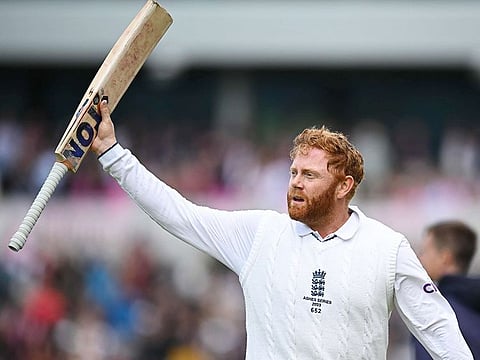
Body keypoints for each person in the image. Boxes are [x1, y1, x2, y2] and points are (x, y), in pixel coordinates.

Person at [91, 99, 473, 359]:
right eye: (293, 173)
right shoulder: (258, 234)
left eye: (309, 174)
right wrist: (112, 153)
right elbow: (178, 214)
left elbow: (438, 329)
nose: (295, 183)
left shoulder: (387, 248)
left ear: (344, 187)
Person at [414, 221, 480, 360]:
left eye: (424, 251)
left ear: (445, 257)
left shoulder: (434, 309)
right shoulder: (472, 302)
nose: (420, 258)